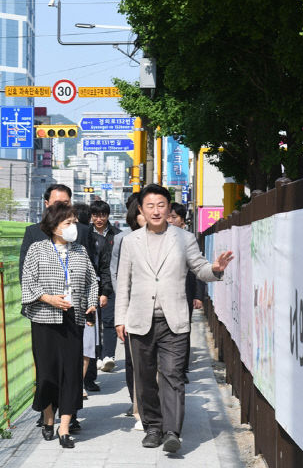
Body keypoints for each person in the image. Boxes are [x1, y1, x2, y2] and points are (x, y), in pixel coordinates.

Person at [115, 184, 234, 453]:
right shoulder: (130, 242)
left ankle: (172, 431)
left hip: (174, 320)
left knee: (173, 375)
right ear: (141, 210)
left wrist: (215, 269)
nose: (156, 211)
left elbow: (200, 268)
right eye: (150, 206)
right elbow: (124, 282)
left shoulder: (184, 238)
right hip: (139, 320)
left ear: (169, 208)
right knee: (144, 379)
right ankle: (153, 428)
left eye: (161, 205)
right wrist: (119, 319)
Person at [21, 202, 99, 449]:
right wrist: (48, 298)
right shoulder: (37, 250)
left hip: (73, 318)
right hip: (45, 319)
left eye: (74, 222)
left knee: (71, 373)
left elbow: (91, 281)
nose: (73, 227)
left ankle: (64, 426)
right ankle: (48, 418)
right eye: (68, 223)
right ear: (54, 227)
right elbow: (28, 282)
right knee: (46, 374)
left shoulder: (79, 251)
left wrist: (92, 302)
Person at [108, 194, 146, 426]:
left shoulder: (169, 237)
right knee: (133, 359)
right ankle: (136, 403)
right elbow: (115, 272)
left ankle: (150, 404)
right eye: (142, 210)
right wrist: (123, 302)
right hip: (132, 307)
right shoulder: (123, 239)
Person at [169, 203, 206, 383]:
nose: (170, 220)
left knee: (183, 329)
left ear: (183, 221)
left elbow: (198, 268)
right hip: (165, 295)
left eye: (174, 217)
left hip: (186, 291)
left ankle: (181, 369)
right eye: (168, 216)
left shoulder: (188, 239)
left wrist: (198, 295)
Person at [89, 200, 121, 373]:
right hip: (92, 283)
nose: (99, 219)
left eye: (102, 215)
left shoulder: (117, 235)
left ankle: (109, 356)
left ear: (108, 216)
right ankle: (97, 356)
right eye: (95, 215)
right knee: (93, 321)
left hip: (113, 283)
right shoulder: (86, 234)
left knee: (109, 320)